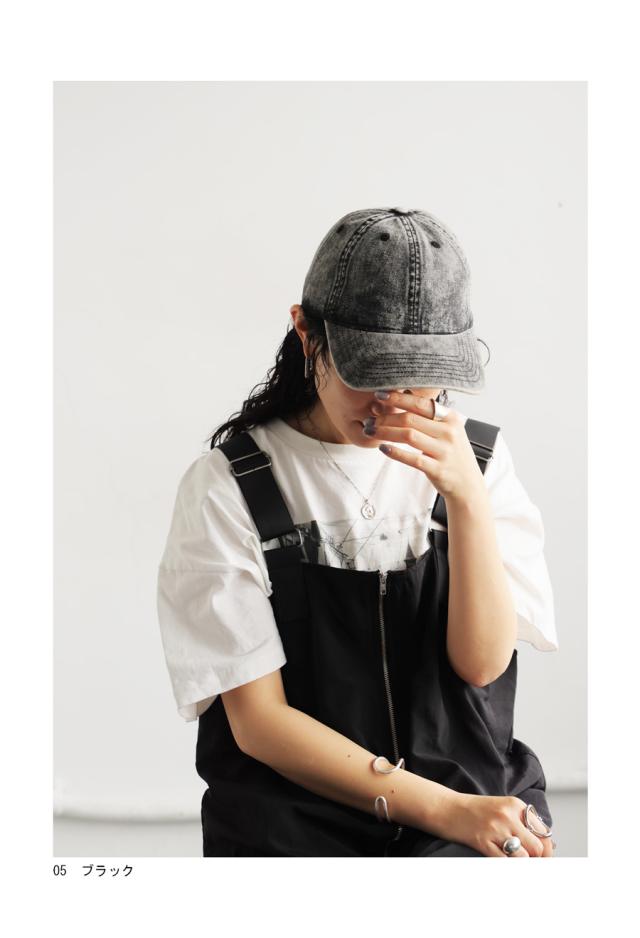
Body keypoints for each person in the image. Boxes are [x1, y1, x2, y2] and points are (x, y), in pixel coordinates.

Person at [157, 206, 559, 857]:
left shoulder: (479, 460)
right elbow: (260, 724)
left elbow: (481, 665)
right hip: (291, 817)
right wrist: (448, 811)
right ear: (305, 332)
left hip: (471, 791)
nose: (393, 400)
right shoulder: (229, 485)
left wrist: (467, 499)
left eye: (421, 377)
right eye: (370, 372)